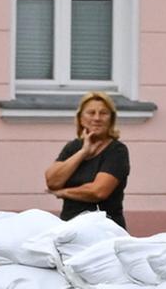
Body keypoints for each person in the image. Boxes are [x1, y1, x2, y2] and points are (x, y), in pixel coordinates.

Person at [44, 91, 128, 226]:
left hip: (105, 229)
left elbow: (98, 191)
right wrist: (83, 152)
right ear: (81, 119)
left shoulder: (117, 151)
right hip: (70, 226)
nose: (97, 118)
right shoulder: (73, 147)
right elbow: (52, 181)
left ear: (111, 119)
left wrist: (63, 192)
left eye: (103, 113)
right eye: (91, 113)